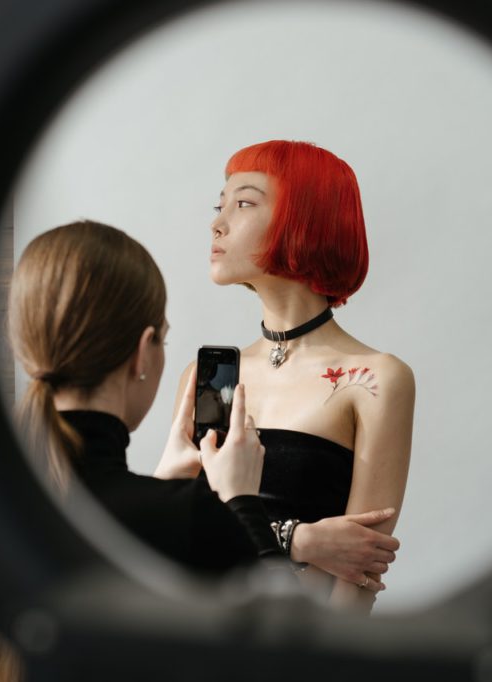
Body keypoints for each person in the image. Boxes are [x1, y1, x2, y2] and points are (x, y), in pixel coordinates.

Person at [0, 220, 399, 680]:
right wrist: (242, 503)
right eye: (164, 339)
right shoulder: (189, 516)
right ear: (143, 353)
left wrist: (165, 484)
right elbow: (278, 658)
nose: (218, 222)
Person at [158, 141, 414, 614]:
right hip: (195, 634)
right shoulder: (205, 376)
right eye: (219, 206)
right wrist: (296, 538)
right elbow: (176, 537)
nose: (217, 223)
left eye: (243, 204)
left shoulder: (377, 379)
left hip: (303, 643)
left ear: (305, 220)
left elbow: (359, 575)